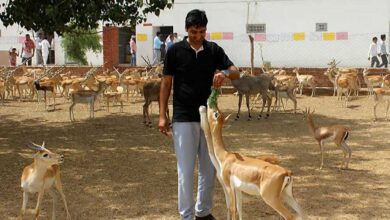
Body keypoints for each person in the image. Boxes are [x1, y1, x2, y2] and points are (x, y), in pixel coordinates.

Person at [159, 9, 239, 220]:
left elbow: (236, 71)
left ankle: (202, 212)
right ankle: (186, 216)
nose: (198, 36)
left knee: (209, 168)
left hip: (209, 119)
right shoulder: (175, 51)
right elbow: (166, 83)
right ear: (187, 30)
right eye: (194, 32)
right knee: (185, 171)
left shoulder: (213, 50)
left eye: (202, 31)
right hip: (184, 117)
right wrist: (162, 115)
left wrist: (223, 73)